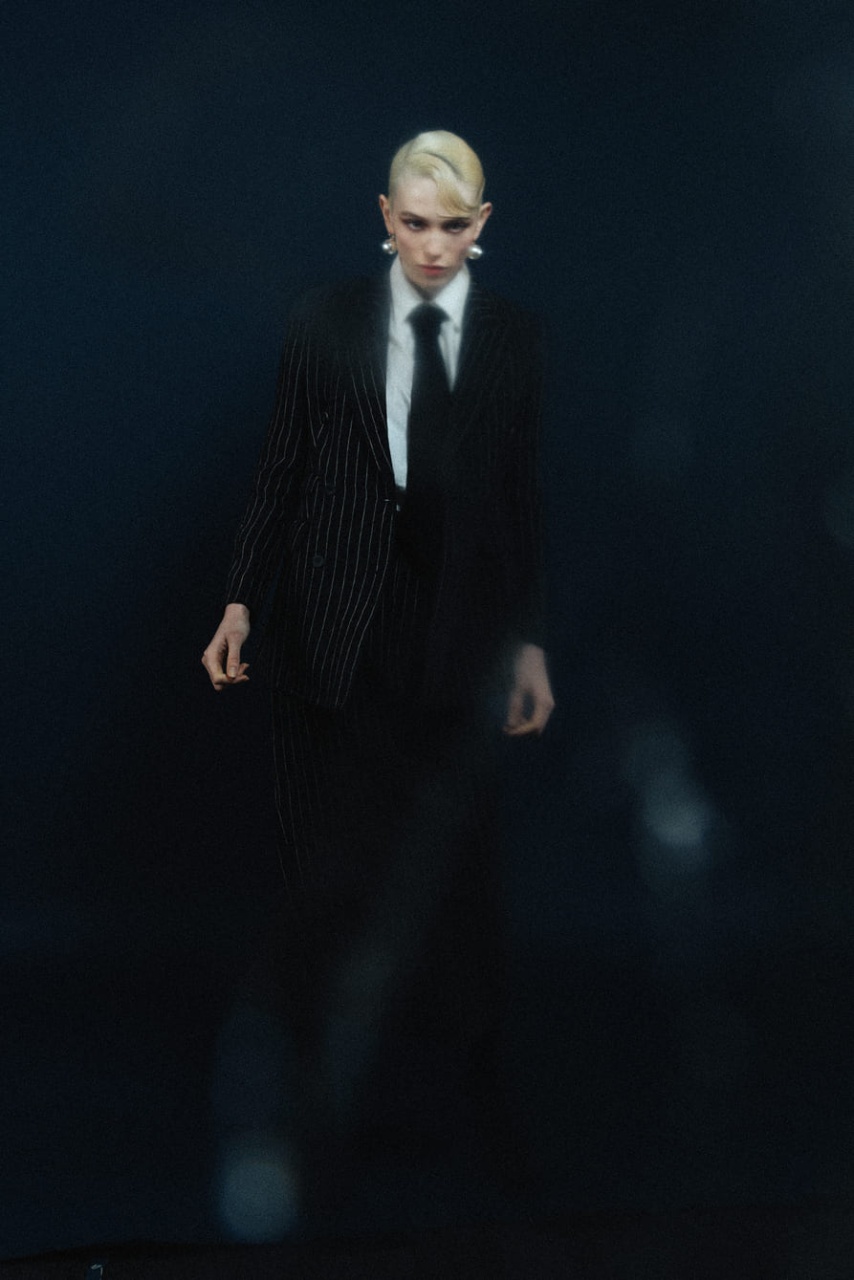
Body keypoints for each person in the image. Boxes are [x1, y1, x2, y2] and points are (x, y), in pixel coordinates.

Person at [202, 130, 554, 1222]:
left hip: (458, 642)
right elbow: (283, 468)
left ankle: (457, 1125)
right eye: (414, 223)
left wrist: (528, 642)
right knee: (333, 868)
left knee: (450, 880)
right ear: (385, 219)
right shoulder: (329, 325)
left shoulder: (509, 338)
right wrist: (242, 601)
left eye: (453, 226)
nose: (433, 246)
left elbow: (519, 499)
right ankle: (296, 1115)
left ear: (479, 227)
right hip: (341, 637)